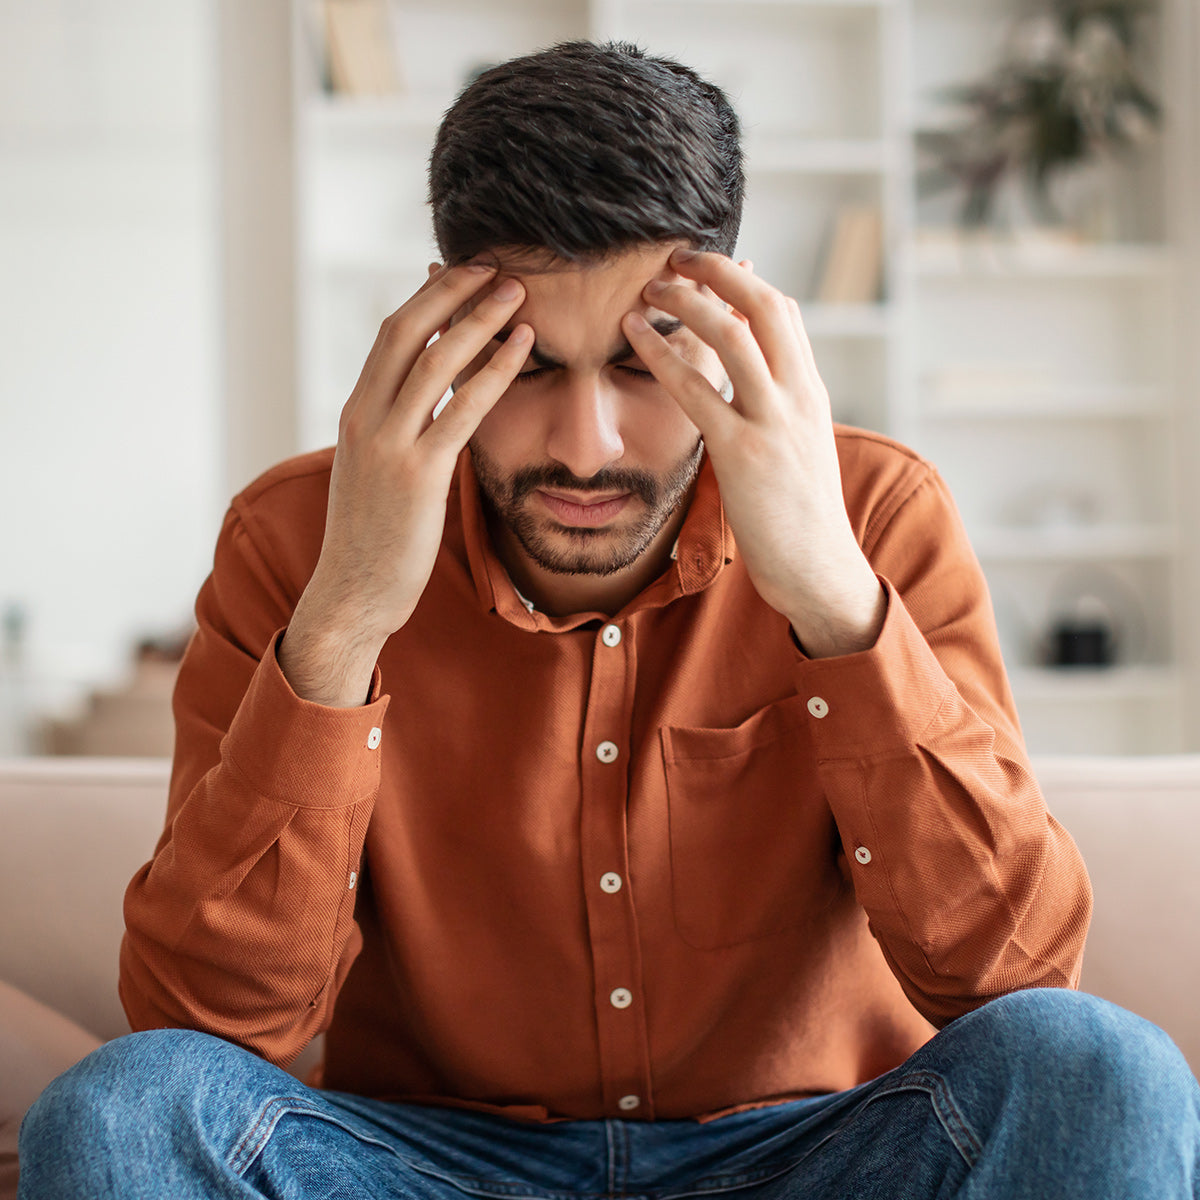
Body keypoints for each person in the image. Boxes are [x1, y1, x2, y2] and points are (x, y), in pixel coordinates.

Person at [18, 39, 1199, 1200]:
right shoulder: (294, 541)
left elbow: (1016, 978)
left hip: (815, 1156)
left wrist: (833, 601)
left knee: (1107, 1070)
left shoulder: (879, 514)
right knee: (122, 1107)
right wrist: (344, 622)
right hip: (429, 1165)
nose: (586, 449)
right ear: (439, 337)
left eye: (643, 362)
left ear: (732, 327)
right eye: (529, 368)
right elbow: (206, 1024)